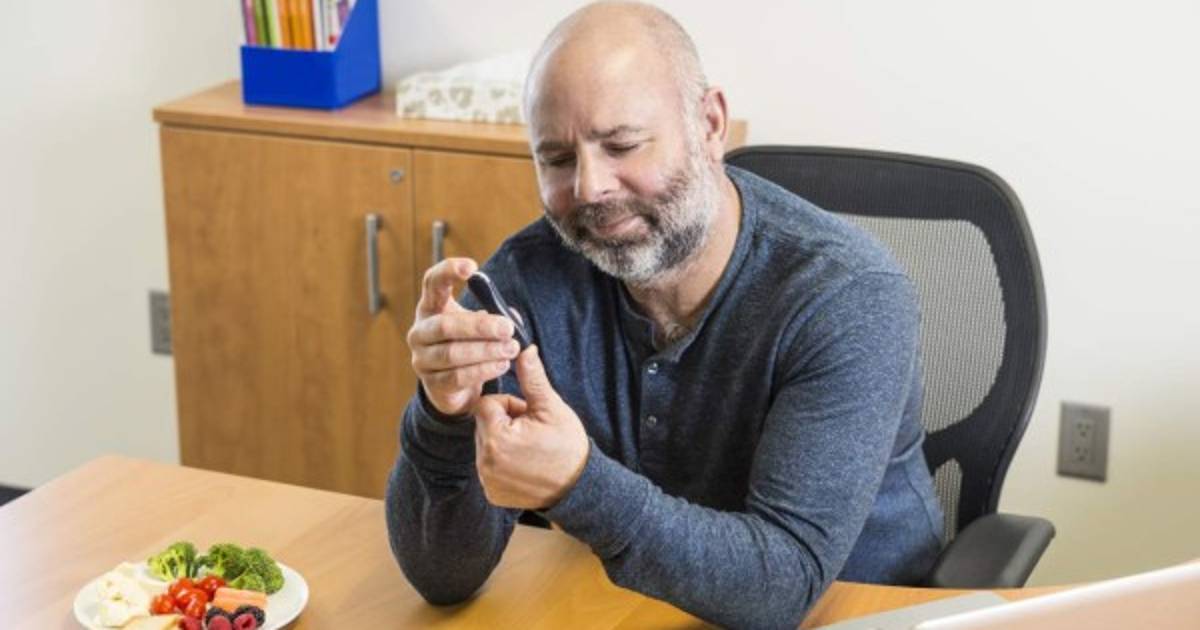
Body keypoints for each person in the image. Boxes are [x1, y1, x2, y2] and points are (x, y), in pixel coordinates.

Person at [385, 2, 943, 627]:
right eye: (558, 159)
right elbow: (441, 575)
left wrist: (577, 483)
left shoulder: (847, 296)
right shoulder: (528, 279)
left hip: (862, 610)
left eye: (622, 145)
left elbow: (783, 588)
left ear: (710, 124)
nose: (590, 188)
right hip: (630, 608)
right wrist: (444, 415)